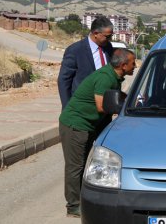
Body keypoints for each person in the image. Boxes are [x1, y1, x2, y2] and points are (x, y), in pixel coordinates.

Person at [58, 48, 136, 217]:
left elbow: (115, 97)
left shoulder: (115, 77)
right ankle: (73, 206)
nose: (135, 66)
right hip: (75, 124)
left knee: (86, 164)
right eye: (132, 63)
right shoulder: (105, 78)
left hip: (88, 125)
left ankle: (83, 200)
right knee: (75, 166)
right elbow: (103, 106)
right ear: (123, 65)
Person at [58, 16, 114, 109]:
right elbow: (64, 81)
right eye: (107, 36)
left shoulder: (108, 47)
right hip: (81, 108)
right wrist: (67, 108)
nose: (110, 39)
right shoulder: (75, 50)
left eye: (111, 36)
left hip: (103, 108)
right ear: (96, 33)